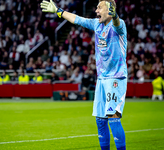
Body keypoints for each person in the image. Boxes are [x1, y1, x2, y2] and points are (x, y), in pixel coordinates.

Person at [40, 0, 127, 150]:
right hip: (101, 79)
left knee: (113, 118)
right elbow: (77, 19)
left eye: (99, 7)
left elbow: (118, 25)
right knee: (100, 120)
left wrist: (115, 16)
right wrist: (58, 11)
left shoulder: (119, 25)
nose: (96, 11)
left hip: (116, 78)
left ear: (109, 10)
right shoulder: (96, 24)